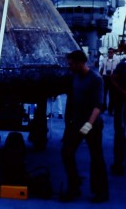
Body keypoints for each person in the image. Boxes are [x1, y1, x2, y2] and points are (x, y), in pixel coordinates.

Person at [60, 50, 108, 203]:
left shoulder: (96, 79)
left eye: (72, 64)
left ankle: (100, 192)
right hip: (76, 123)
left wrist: (89, 124)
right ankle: (74, 188)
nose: (70, 66)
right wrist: (69, 123)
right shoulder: (74, 77)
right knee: (67, 153)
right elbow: (72, 100)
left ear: (80, 63)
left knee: (96, 158)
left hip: (92, 124)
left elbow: (98, 105)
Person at [110, 58, 126, 175]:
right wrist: (122, 91)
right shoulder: (122, 65)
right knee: (120, 133)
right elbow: (113, 79)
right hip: (121, 104)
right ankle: (118, 163)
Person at [99, 47, 120, 114]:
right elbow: (101, 68)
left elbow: (118, 70)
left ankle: (110, 109)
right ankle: (103, 107)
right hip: (105, 78)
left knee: (112, 94)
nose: (110, 53)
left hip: (113, 78)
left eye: (111, 52)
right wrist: (101, 76)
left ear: (113, 53)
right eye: (109, 52)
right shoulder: (104, 60)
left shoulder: (117, 60)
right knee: (103, 94)